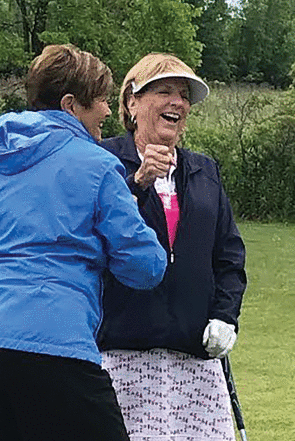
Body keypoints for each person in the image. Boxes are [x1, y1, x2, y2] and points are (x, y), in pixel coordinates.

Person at [0, 44, 168, 441]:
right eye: (103, 100)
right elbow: (145, 267)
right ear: (72, 104)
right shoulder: (98, 165)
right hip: (54, 343)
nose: (108, 111)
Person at [97, 53, 247, 440]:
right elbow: (92, 234)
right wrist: (138, 182)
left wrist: (225, 316)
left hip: (193, 359)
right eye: (163, 91)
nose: (177, 103)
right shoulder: (105, 161)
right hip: (121, 356)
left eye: (184, 95)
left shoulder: (204, 171)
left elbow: (229, 257)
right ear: (132, 101)